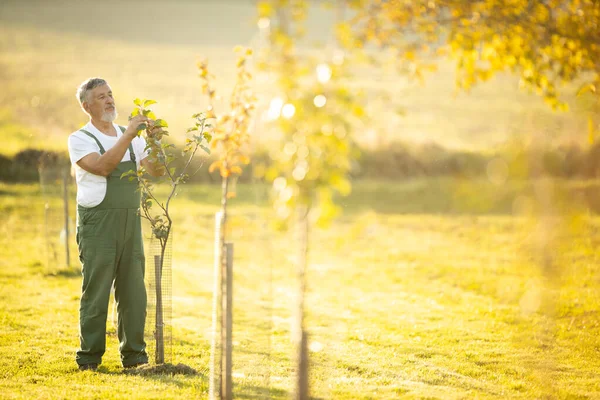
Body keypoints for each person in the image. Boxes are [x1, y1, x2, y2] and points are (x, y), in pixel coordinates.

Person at [68, 77, 163, 371]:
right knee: (96, 292)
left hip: (130, 222)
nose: (109, 100)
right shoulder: (80, 138)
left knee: (134, 292)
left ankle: (135, 357)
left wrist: (154, 141)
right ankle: (89, 359)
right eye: (100, 97)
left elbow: (157, 172)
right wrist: (130, 135)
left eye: (110, 94)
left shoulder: (132, 136)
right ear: (87, 106)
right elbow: (103, 167)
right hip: (98, 225)